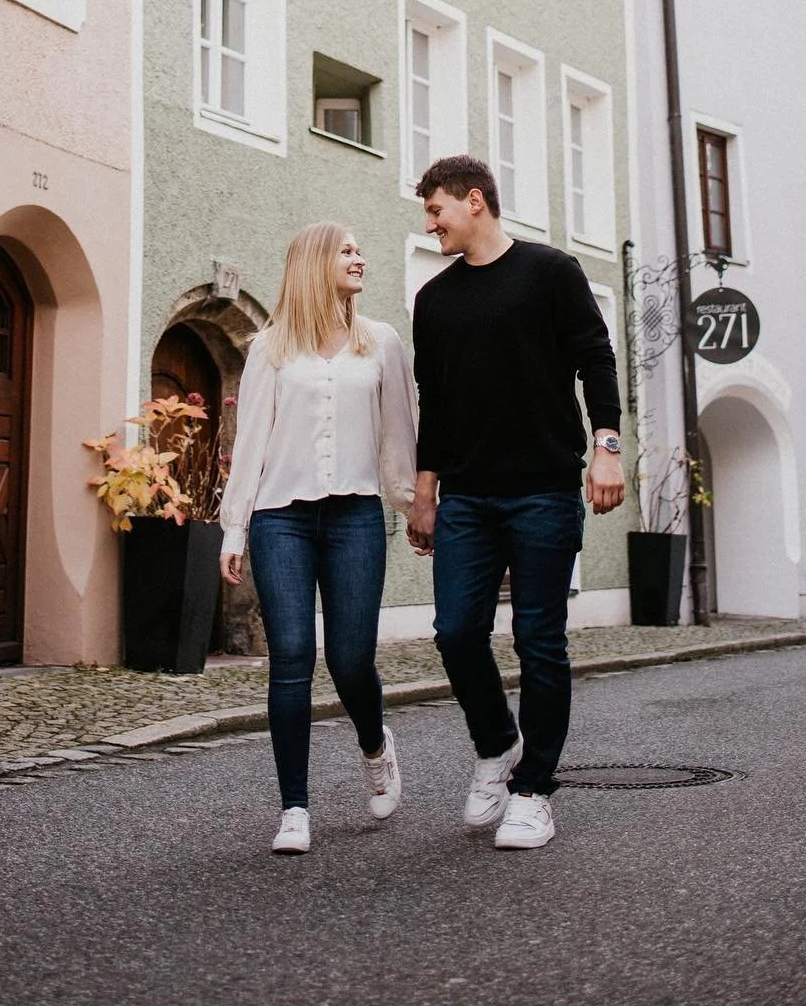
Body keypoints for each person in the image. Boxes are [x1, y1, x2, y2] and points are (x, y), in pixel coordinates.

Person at [406, 154, 625, 851]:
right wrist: (424, 492)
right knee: (456, 631)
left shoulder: (550, 273)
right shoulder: (433, 302)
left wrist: (607, 444)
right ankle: (497, 744)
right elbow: (433, 405)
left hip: (543, 491)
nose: (431, 224)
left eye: (437, 210)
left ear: (476, 201)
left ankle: (533, 791)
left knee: (539, 640)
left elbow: (597, 357)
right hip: (467, 496)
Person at [219, 222, 419, 854]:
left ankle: (374, 745)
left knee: (351, 658)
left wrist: (415, 506)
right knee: (292, 658)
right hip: (282, 518)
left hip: (357, 517)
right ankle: (294, 809)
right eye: (347, 250)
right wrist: (235, 526)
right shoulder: (270, 347)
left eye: (362, 248)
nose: (360, 258)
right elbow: (249, 438)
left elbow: (399, 434)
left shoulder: (381, 342)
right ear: (312, 264)